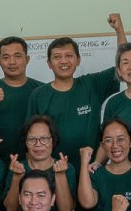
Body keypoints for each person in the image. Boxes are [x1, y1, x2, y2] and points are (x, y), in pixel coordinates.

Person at [26, 16, 123, 160]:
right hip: (54, 169)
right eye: (57, 57)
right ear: (49, 63)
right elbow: (30, 138)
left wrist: (119, 30)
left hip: (91, 167)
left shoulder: (92, 84)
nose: (63, 61)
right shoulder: (39, 95)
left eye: (69, 55)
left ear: (78, 60)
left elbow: (123, 65)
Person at [0, 37, 46, 146]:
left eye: (17, 56)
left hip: (35, 154)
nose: (12, 62)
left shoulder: (42, 90)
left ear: (27, 59)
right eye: (6, 57)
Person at [5, 115, 76, 211]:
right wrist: (17, 177)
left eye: (44, 138)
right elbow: (11, 210)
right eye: (31, 139)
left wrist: (60, 176)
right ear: (25, 142)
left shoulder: (66, 168)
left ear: (53, 140)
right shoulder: (17, 167)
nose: (38, 144)